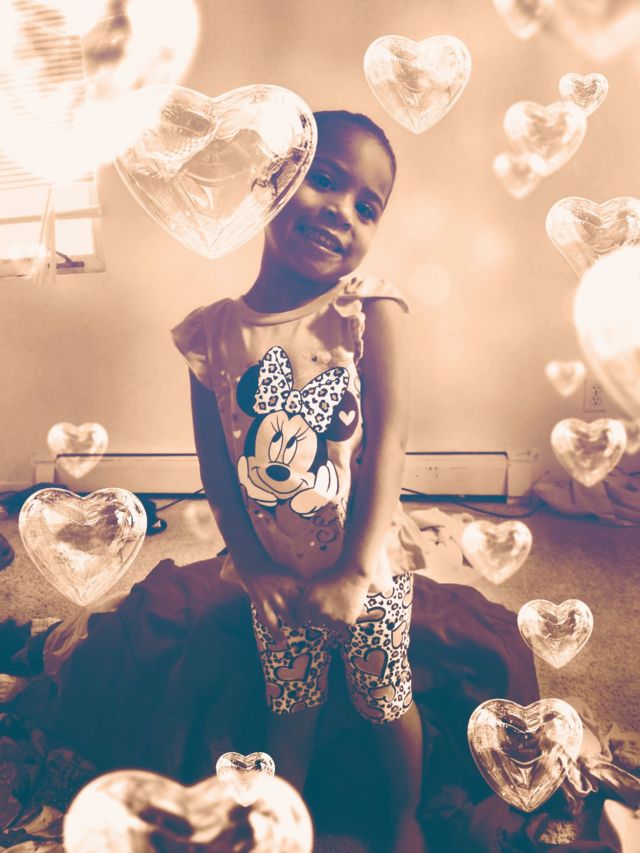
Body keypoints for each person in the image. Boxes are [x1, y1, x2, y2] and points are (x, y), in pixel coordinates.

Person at [171, 109, 428, 852]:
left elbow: (392, 439)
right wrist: (251, 564)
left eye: (367, 206)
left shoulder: (367, 307)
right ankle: (291, 825)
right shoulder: (210, 333)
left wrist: (356, 570)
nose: (342, 211)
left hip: (368, 564)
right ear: (271, 182)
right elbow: (217, 465)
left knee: (384, 699)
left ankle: (404, 812)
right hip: (277, 571)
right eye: (324, 180)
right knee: (291, 704)